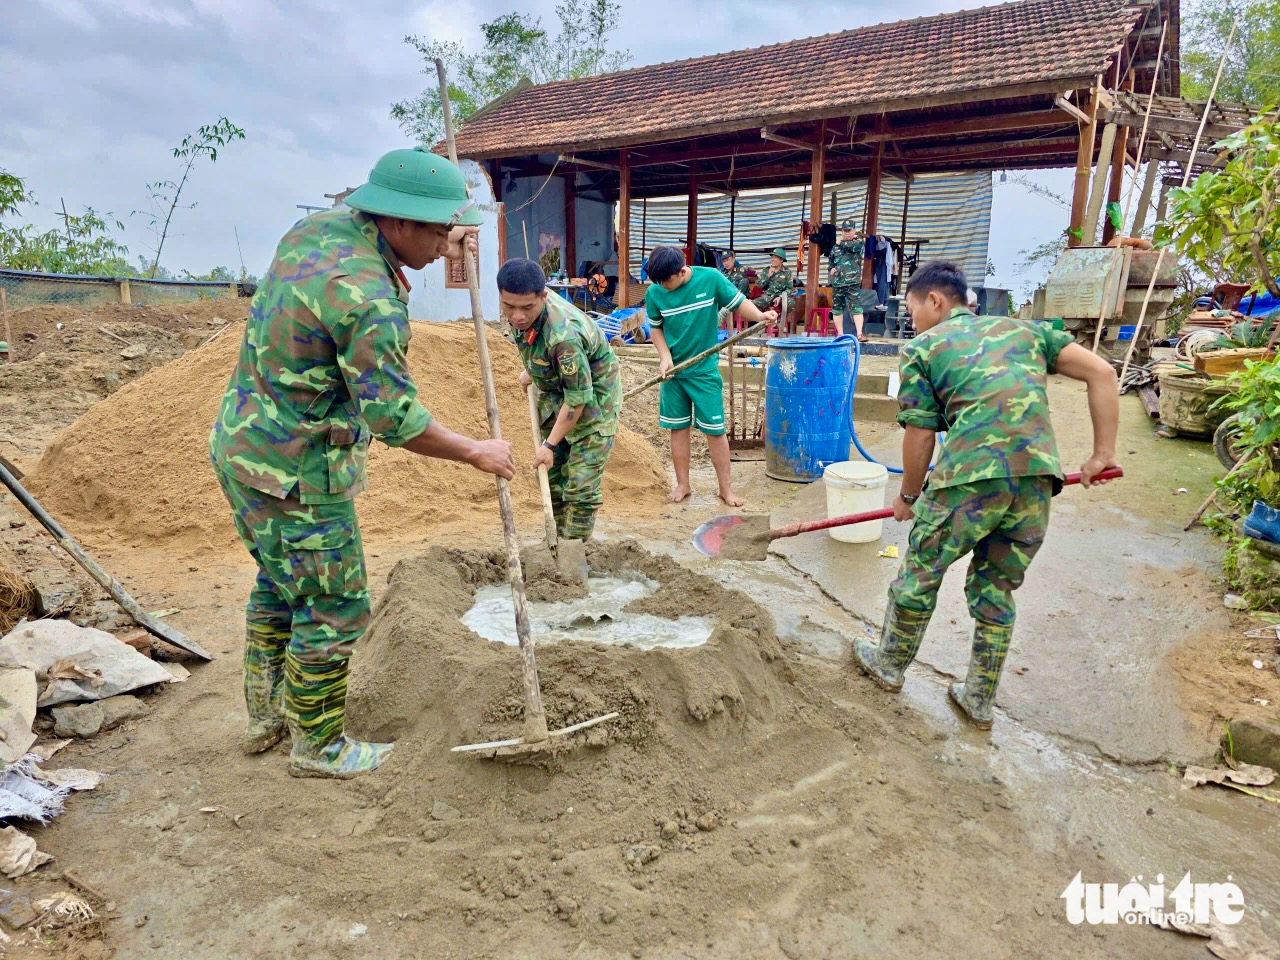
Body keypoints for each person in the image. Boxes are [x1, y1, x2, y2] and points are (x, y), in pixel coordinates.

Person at [209, 147, 516, 779]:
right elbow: (393, 417)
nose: (447, 245)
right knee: (333, 606)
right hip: (296, 470)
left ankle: (267, 717)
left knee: (280, 585)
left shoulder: (316, 231)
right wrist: (476, 451)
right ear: (397, 220)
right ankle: (319, 747)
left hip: (242, 445)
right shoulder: (368, 298)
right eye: (437, 230)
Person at [852, 260, 1119, 729]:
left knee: (921, 572)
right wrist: (1102, 453)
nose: (913, 321)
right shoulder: (1027, 332)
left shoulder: (923, 348)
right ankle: (978, 699)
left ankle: (888, 664)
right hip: (1036, 481)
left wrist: (908, 497)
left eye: (912, 311)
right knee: (996, 588)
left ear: (935, 300)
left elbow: (920, 433)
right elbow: (1103, 373)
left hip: (968, 478)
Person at [498, 257, 621, 540]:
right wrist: (533, 369)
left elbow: (577, 399)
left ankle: (573, 549)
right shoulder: (522, 306)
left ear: (543, 296)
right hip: (557, 393)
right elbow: (533, 341)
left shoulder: (563, 337)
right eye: (509, 306)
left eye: (527, 308)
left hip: (593, 398)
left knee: (580, 486)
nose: (517, 316)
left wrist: (549, 445)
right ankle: (555, 540)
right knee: (551, 478)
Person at [645, 245, 778, 506]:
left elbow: (739, 303)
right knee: (677, 428)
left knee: (715, 431)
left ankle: (725, 489)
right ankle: (683, 484)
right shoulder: (655, 293)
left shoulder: (711, 278)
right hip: (673, 374)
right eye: (658, 282)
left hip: (704, 371)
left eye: (666, 281)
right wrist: (665, 357)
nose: (662, 286)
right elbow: (656, 328)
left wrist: (761, 315)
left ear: (682, 271)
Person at [829, 220, 867, 342]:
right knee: (837, 308)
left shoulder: (858, 242)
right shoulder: (835, 247)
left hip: (852, 282)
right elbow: (831, 261)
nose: (847, 233)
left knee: (856, 307)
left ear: (854, 231)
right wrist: (831, 269)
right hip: (838, 282)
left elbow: (851, 246)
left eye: (849, 230)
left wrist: (840, 242)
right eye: (844, 231)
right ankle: (840, 334)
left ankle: (859, 334)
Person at [752, 248, 794, 315]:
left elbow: (789, 289)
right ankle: (762, 318)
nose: (772, 259)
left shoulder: (787, 272)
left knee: (790, 303)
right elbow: (760, 286)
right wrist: (768, 276)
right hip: (767, 296)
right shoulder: (766, 270)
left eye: (775, 257)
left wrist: (780, 297)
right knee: (753, 305)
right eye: (772, 257)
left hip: (780, 297)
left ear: (781, 260)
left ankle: (779, 319)